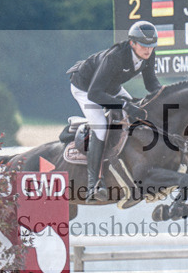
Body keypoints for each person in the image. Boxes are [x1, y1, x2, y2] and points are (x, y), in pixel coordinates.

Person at [67, 21, 161, 201]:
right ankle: (93, 184)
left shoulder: (148, 54)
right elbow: (95, 93)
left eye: (151, 46)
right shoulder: (116, 57)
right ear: (132, 43)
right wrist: (125, 105)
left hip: (111, 86)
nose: (148, 51)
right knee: (101, 126)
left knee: (138, 112)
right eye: (143, 46)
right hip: (86, 88)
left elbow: (151, 84)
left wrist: (165, 95)